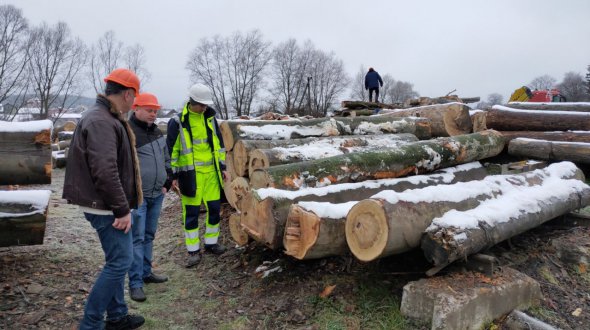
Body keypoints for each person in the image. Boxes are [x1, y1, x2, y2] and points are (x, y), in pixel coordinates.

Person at [62, 68, 145, 330]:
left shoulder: (103, 116)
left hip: (105, 204)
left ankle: (117, 316)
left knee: (116, 262)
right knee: (120, 262)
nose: (134, 102)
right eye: (135, 97)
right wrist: (121, 209)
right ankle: (91, 323)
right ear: (129, 94)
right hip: (105, 207)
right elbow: (104, 170)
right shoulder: (101, 121)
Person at [166, 83, 228, 268]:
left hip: (212, 174)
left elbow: (219, 145)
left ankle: (211, 243)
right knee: (191, 214)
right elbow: (172, 151)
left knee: (215, 210)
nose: (204, 108)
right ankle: (193, 251)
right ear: (192, 102)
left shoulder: (210, 119)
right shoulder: (177, 122)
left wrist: (222, 166)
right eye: (201, 105)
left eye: (206, 105)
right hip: (190, 176)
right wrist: (173, 175)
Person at [127, 93, 172, 302]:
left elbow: (166, 158)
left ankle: (146, 273)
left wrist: (168, 180)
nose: (153, 114)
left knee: (149, 235)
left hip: (157, 194)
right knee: (136, 238)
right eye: (149, 110)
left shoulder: (157, 133)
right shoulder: (128, 132)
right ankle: (135, 283)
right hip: (139, 196)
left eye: (155, 110)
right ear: (136, 108)